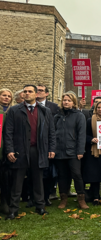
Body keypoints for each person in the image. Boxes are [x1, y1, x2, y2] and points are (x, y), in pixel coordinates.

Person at [4, 85, 55, 219]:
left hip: (38, 150)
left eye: (30, 91)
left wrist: (51, 148)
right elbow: (7, 132)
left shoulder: (45, 111)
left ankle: (40, 206)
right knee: (17, 181)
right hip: (19, 150)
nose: (27, 94)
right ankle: (13, 210)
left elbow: (51, 132)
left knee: (38, 179)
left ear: (36, 94)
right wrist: (9, 150)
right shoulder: (14, 110)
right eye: (25, 91)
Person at [53, 93, 88, 209]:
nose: (66, 102)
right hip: (59, 151)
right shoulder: (57, 116)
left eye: (68, 100)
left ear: (73, 102)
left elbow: (81, 135)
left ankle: (81, 199)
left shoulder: (79, 116)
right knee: (62, 176)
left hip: (73, 151)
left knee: (77, 175)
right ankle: (63, 199)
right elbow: (52, 134)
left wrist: (80, 151)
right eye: (64, 100)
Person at [36, 84, 60, 204]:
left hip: (47, 144)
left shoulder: (54, 107)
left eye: (41, 90)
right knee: (33, 172)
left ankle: (46, 196)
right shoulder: (29, 106)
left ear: (47, 93)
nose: (38, 92)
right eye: (37, 90)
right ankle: (32, 197)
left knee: (47, 173)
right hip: (33, 144)